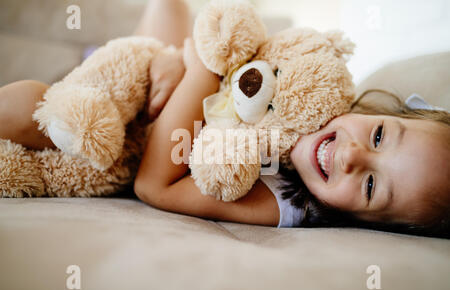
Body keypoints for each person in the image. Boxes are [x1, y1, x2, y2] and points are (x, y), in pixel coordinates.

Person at [1, 0, 449, 238]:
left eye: (371, 186)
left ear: (374, 226)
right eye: (378, 135)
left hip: (115, 131)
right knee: (170, 7)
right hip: (142, 76)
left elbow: (154, 185)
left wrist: (198, 68)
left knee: (27, 104)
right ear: (382, 113)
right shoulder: (324, 90)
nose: (351, 155)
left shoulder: (287, 201)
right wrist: (175, 61)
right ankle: (112, 54)